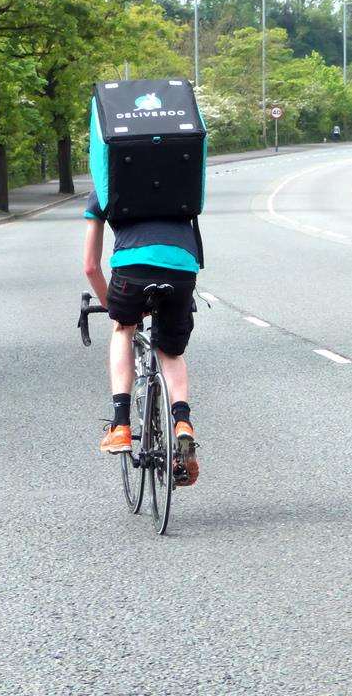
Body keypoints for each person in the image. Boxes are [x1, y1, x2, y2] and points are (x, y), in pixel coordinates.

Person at [83, 192, 200, 486]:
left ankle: (121, 424)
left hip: (131, 272)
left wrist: (115, 309)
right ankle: (182, 421)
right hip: (182, 270)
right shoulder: (179, 178)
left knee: (123, 329)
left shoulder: (106, 186)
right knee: (170, 352)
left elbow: (91, 267)